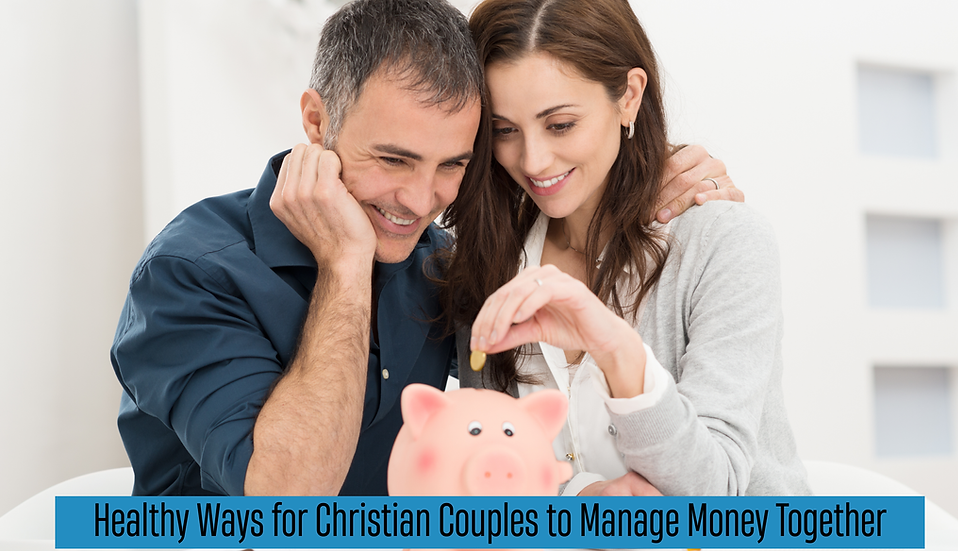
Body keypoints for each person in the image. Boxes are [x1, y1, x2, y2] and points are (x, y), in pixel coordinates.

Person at [110, 0, 733, 497]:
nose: (418, 199)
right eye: (393, 159)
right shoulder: (190, 272)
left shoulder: (442, 267)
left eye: (452, 164)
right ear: (316, 120)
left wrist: (653, 171)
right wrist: (345, 263)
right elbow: (285, 506)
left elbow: (516, 435)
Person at [442, 0, 810, 497]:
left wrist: (618, 351)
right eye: (505, 131)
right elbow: (491, 473)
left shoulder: (723, 243)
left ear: (629, 97)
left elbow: (715, 491)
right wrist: (580, 497)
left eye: (561, 124)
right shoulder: (488, 260)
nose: (532, 159)